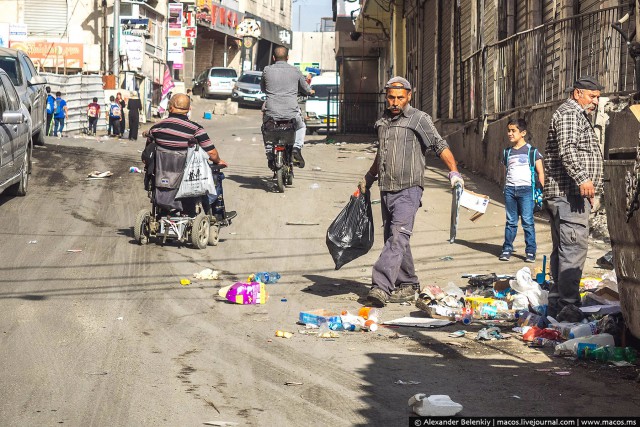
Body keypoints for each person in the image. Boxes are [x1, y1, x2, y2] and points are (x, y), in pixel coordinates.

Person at [360, 77, 465, 307]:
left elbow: (439, 145)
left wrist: (454, 172)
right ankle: (408, 284)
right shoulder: (383, 122)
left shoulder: (418, 119)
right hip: (386, 188)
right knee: (395, 237)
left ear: (408, 96)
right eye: (391, 97)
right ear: (386, 97)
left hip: (409, 189)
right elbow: (382, 154)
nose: (395, 102)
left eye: (400, 97)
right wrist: (368, 178)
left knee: (398, 237)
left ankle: (381, 286)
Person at [544, 76, 604, 318]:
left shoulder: (576, 114)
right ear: (578, 93)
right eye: (592, 97)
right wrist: (583, 179)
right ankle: (568, 306)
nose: (596, 102)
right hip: (568, 194)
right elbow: (567, 149)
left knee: (564, 248)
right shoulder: (570, 113)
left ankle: (557, 302)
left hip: (567, 195)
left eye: (598, 97)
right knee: (573, 249)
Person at [147, 93, 236, 220]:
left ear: (170, 108)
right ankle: (217, 215)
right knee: (216, 174)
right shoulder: (196, 130)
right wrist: (218, 161)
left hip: (161, 180)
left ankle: (163, 212)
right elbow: (212, 153)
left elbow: (148, 154)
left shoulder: (155, 129)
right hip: (187, 182)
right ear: (188, 110)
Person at [498, 118, 544, 263]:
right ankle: (507, 249)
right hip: (510, 191)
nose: (510, 134)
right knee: (511, 221)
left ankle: (530, 251)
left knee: (528, 221)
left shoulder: (532, 151)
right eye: (508, 130)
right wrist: (505, 187)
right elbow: (505, 171)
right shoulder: (507, 152)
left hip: (526, 191)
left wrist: (541, 190)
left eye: (513, 131)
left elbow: (540, 172)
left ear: (523, 133)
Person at [261, 46, 313, 169]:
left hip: (271, 113)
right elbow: (305, 89)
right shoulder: (295, 71)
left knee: (265, 129)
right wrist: (310, 92)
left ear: (273, 58)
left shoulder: (266, 70)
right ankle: (296, 148)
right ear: (288, 58)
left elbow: (263, 88)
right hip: (291, 113)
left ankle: (269, 153)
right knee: (301, 126)